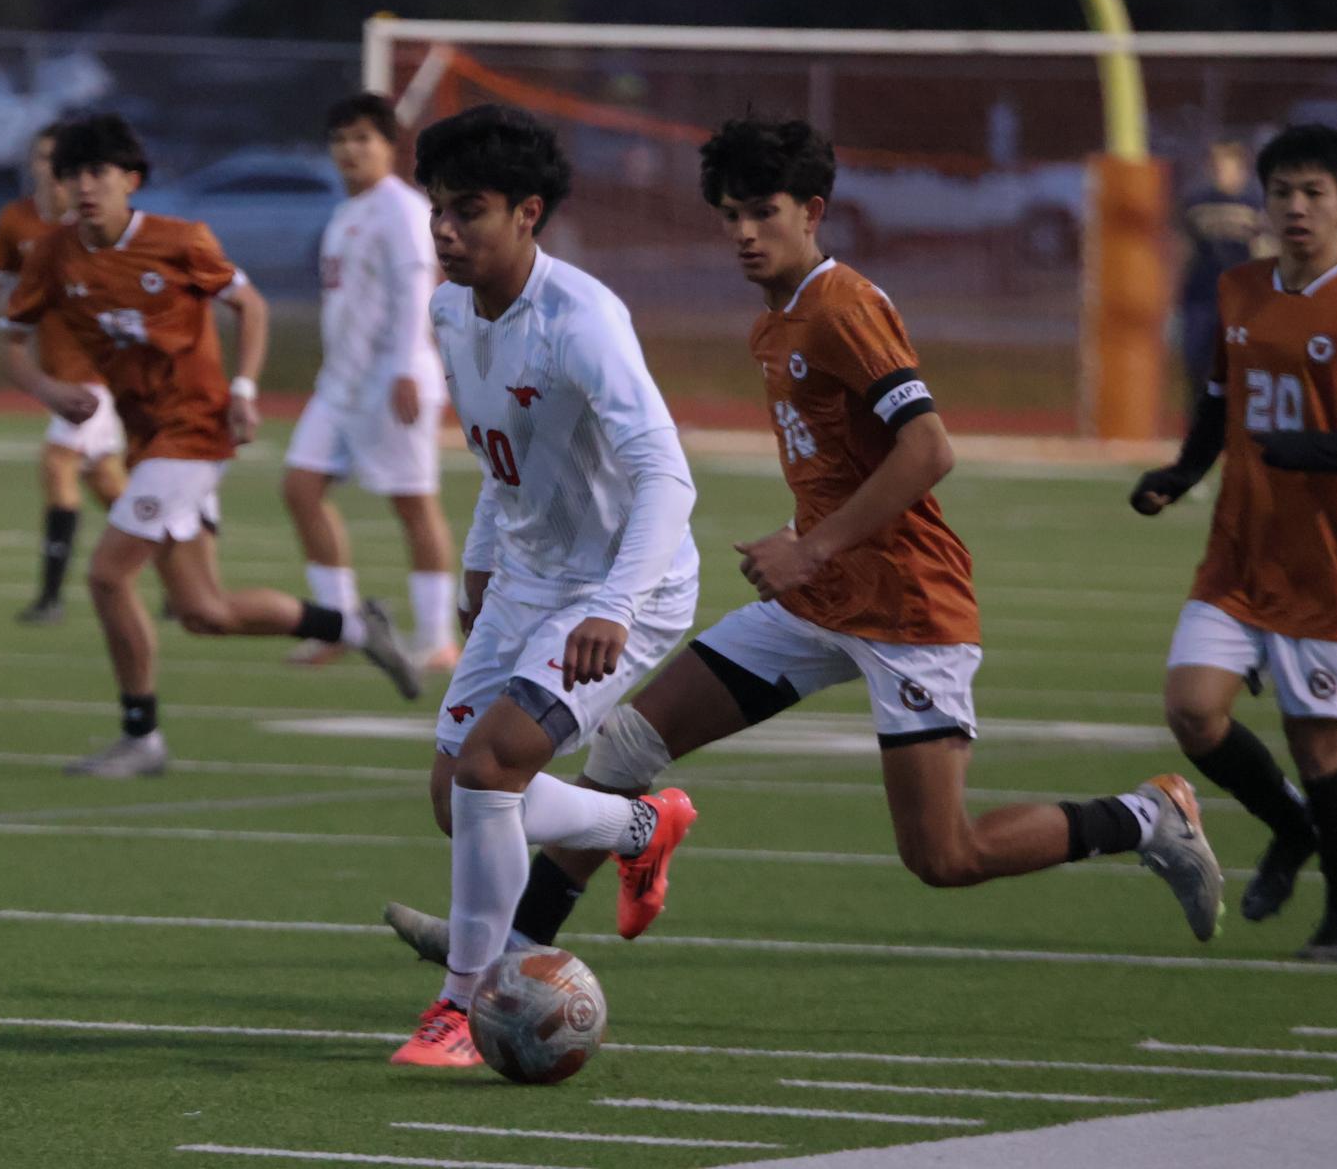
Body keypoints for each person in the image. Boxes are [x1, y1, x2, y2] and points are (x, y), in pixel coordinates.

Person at [385, 115, 1226, 977]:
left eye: (762, 213)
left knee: (943, 854)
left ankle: (1145, 817)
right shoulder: (772, 321)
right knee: (632, 744)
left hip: (906, 608)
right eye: (728, 216)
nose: (743, 234)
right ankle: (512, 942)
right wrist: (808, 547)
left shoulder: (841, 305)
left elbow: (929, 447)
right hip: (814, 600)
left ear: (812, 210)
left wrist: (810, 547)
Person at [386, 105, 703, 1069]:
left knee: (491, 770)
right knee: (457, 796)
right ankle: (638, 823)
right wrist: (484, 552)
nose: (445, 231)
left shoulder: (585, 322)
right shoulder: (449, 309)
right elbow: (504, 460)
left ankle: (462, 1007)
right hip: (526, 579)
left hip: (622, 591)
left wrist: (612, 603)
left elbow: (667, 476)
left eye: (467, 212)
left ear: (528, 213)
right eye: (436, 210)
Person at [0, 115, 420, 779]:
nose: (83, 186)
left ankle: (141, 736)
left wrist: (245, 387)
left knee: (108, 574)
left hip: (193, 433)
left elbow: (250, 306)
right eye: (72, 173)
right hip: (148, 443)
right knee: (204, 611)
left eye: (98, 173)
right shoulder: (54, 255)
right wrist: (49, 391)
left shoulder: (177, 241)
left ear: (129, 180)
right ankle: (356, 627)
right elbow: (12, 341)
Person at [1131, 121, 1337, 963]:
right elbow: (1220, 397)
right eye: (1281, 191)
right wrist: (1180, 472)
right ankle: (1290, 828)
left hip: (1321, 566)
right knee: (1191, 708)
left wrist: (1317, 451)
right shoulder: (1239, 288)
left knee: (1315, 744)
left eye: (1313, 192)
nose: (1294, 207)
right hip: (1237, 552)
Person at [282, 93, 460, 671]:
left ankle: (436, 638)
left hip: (393, 380)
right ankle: (340, 624)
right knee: (300, 487)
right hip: (340, 385)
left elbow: (417, 288)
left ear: (389, 146)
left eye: (363, 138)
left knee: (413, 504)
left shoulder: (401, 209)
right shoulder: (345, 214)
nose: (350, 150)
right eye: (341, 139)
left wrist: (408, 364)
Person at [0, 123, 125, 623]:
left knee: (58, 463)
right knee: (108, 483)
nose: (49, 166)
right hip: (57, 374)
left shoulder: (98, 225)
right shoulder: (17, 221)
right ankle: (177, 555)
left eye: (58, 158)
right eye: (41, 156)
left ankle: (51, 598)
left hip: (97, 378)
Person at [1176, 140, 1267, 412]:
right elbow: (1183, 247)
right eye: (1217, 167)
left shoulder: (1256, 204)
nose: (1222, 173)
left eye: (1228, 166)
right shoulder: (1196, 203)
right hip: (1201, 291)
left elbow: (1267, 250)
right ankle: (1199, 420)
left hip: (1242, 294)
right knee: (1196, 359)